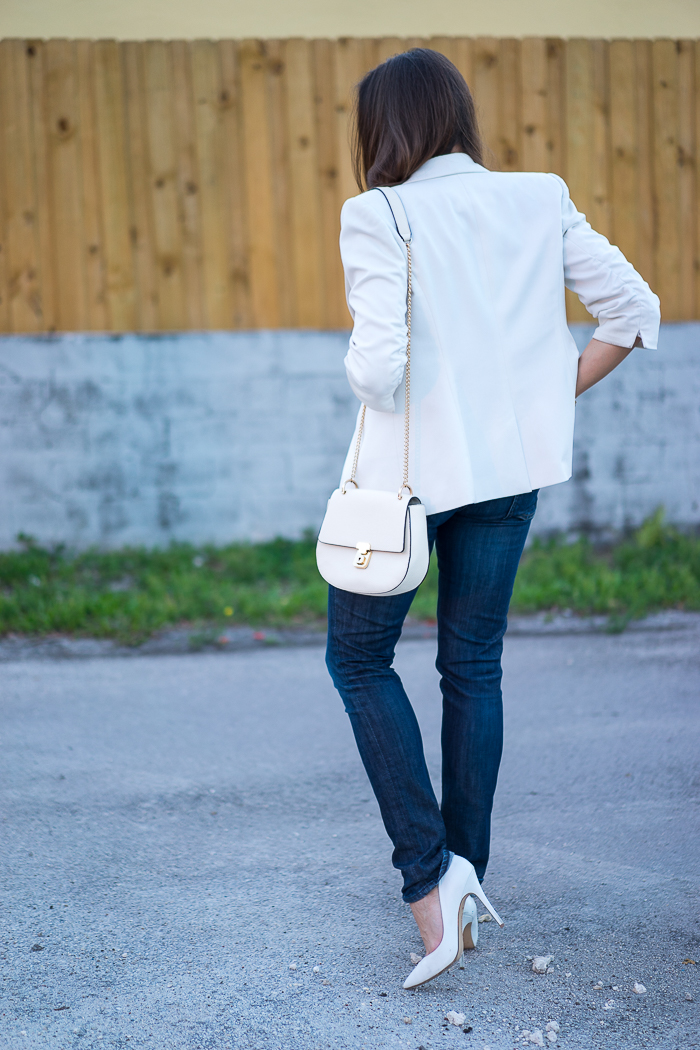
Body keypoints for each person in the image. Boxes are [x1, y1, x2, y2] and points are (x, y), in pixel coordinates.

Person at [324, 48, 660, 989]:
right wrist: (550, 397)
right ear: (458, 117)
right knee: (471, 664)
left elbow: (377, 371)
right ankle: (466, 869)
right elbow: (631, 312)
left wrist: (362, 354)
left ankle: (430, 882)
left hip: (414, 482)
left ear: (383, 130)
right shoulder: (538, 194)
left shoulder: (377, 212)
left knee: (355, 658)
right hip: (510, 475)